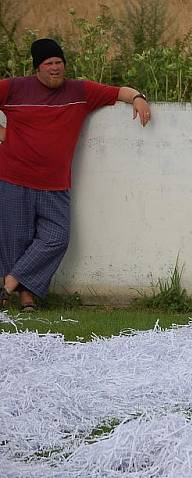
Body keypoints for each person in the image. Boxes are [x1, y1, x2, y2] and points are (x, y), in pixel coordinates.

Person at [0, 38, 152, 311]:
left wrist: (138, 98)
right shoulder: (14, 88)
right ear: (37, 67)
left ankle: (8, 284)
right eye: (49, 64)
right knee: (16, 240)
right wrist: (3, 134)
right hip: (13, 179)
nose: (56, 68)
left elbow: (119, 92)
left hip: (56, 184)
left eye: (60, 63)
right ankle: (26, 297)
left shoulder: (80, 91)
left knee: (57, 238)